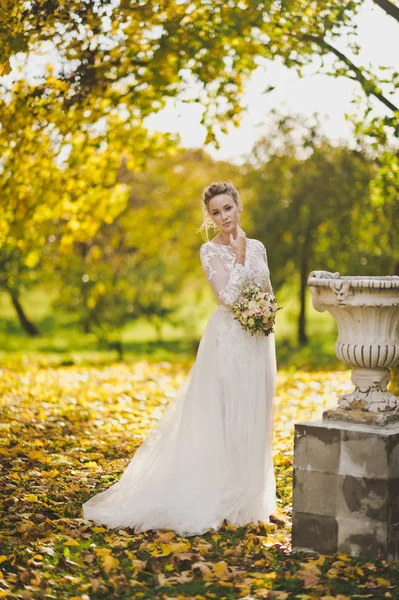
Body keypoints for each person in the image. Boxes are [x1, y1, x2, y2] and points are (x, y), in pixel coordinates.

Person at [82, 181, 277, 536]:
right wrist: (236, 255)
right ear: (210, 216)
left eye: (227, 209)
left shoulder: (260, 247)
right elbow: (226, 298)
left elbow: (267, 289)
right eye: (216, 212)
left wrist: (267, 314)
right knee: (226, 411)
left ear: (239, 206)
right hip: (229, 339)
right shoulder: (210, 251)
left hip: (258, 341)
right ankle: (221, 495)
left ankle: (250, 501)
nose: (223, 217)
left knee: (255, 409)